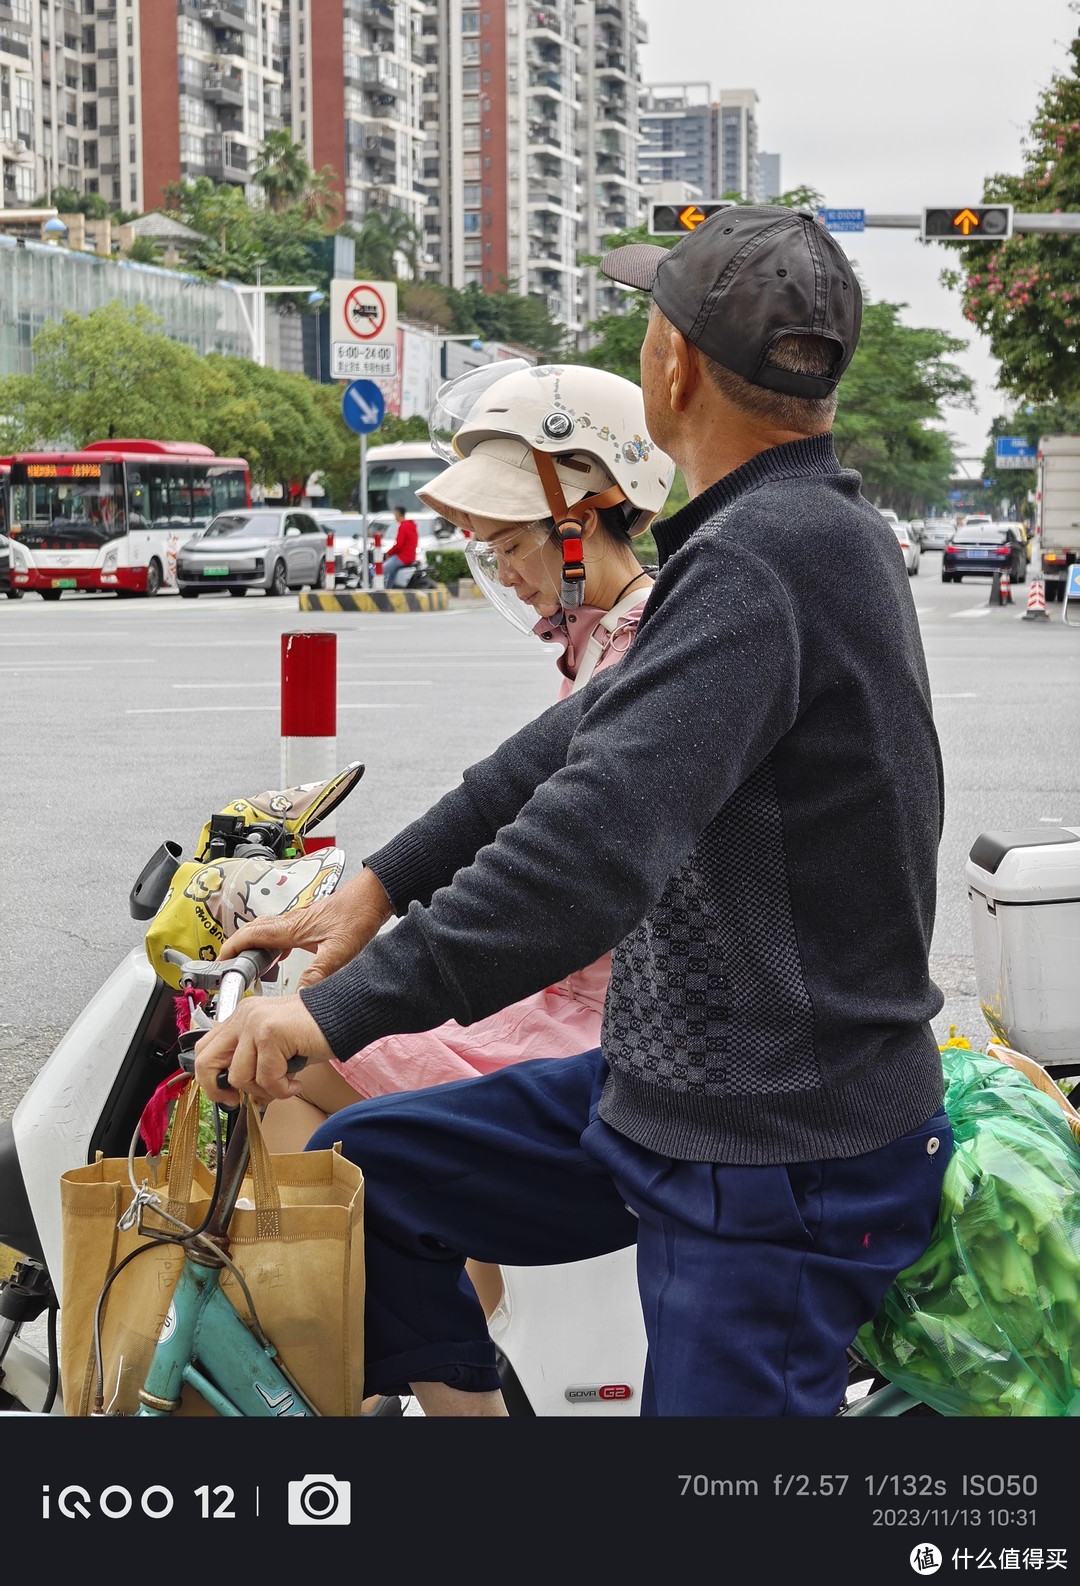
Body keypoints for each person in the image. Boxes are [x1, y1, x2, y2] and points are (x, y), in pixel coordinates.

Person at [195, 204, 955, 1419]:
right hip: (664, 1092)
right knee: (366, 1180)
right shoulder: (785, 538)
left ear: (675, 367)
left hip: (769, 1150)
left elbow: (584, 850)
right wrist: (372, 890)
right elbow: (546, 757)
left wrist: (333, 1012)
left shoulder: (763, 562)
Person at [258, 363, 674, 1169]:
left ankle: (453, 1286)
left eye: (510, 544)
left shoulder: (651, 649)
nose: (506, 573)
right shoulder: (591, 639)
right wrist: (375, 901)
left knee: (300, 1069)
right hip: (553, 995)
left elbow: (551, 858)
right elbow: (496, 799)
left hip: (607, 1022)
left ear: (580, 527)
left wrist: (391, 954)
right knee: (297, 1088)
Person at [381, 503, 418, 588]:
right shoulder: (412, 525)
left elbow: (399, 545)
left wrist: (388, 553)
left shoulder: (403, 527)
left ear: (398, 514)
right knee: (392, 574)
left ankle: (381, 592)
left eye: (395, 514)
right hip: (411, 556)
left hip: (403, 557)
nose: (394, 516)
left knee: (381, 570)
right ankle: (390, 591)